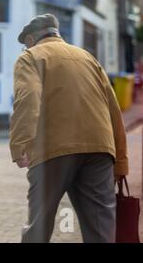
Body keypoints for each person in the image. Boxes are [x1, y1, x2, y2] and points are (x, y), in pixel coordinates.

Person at [10, 13, 128, 243]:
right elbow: (113, 109)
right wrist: (121, 161)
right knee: (101, 227)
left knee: (38, 225)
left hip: (54, 148)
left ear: (32, 39)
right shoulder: (87, 57)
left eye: (26, 43)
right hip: (100, 149)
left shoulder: (30, 57)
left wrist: (21, 144)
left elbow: (28, 98)